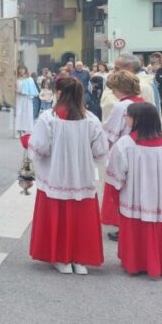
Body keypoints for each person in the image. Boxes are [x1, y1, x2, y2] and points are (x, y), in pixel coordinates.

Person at [28, 78, 108, 275]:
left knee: (59, 216)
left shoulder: (49, 118)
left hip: (56, 175)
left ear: (58, 93)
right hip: (82, 177)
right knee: (81, 218)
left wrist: (27, 143)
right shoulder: (91, 119)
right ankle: (80, 260)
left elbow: (39, 150)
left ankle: (61, 259)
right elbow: (100, 153)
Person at [106, 102, 162, 277]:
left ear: (136, 119)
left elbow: (116, 172)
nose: (125, 118)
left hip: (134, 195)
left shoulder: (126, 143)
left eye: (127, 116)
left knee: (135, 227)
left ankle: (135, 263)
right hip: (159, 197)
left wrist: (116, 188)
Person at [100, 70, 144, 233]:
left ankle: (122, 225)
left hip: (123, 151)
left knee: (121, 190)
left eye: (114, 89)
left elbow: (110, 133)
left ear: (120, 88)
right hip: (142, 152)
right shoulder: (142, 102)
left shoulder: (122, 106)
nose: (113, 92)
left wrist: (103, 153)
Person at [101, 54, 156, 121]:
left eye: (117, 68)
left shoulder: (143, 86)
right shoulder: (115, 82)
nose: (113, 71)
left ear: (129, 68)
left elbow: (151, 113)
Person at [15, 66, 38, 136]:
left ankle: (24, 129)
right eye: (20, 69)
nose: (21, 70)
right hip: (19, 99)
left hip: (26, 99)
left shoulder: (29, 79)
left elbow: (33, 90)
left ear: (25, 70)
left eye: (23, 69)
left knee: (26, 114)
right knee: (19, 113)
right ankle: (18, 129)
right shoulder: (16, 79)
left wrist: (26, 93)